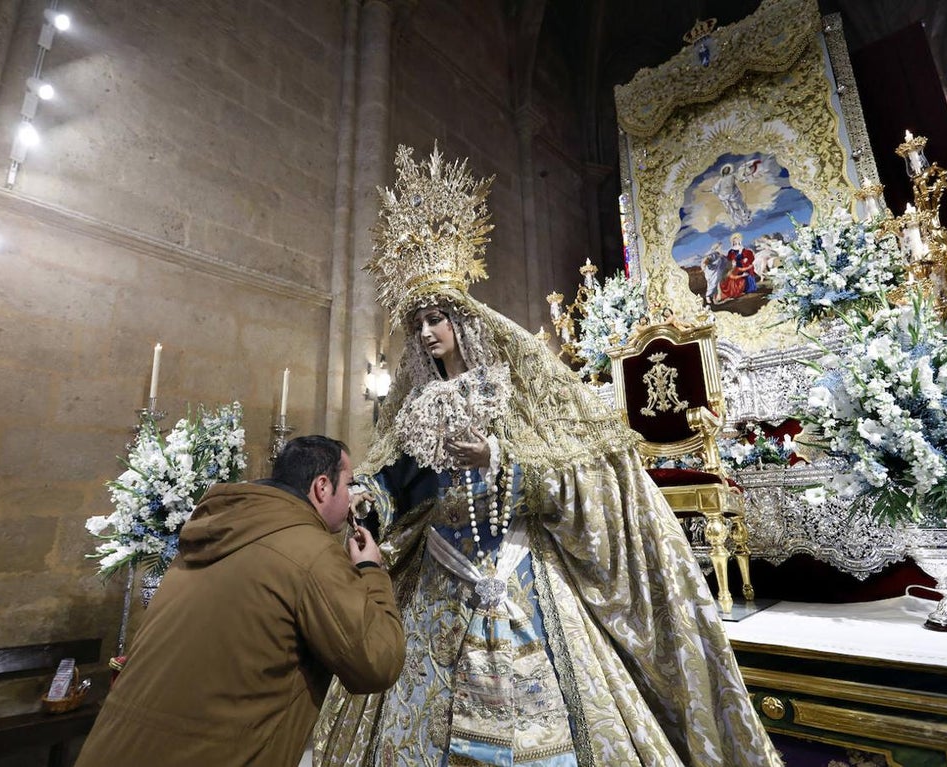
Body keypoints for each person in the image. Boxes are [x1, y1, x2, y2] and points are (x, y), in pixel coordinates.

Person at [313, 145, 781, 766]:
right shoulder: (418, 403)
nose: (426, 333)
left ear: (463, 319)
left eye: (436, 319)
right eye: (417, 323)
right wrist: (369, 499)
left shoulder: (515, 388)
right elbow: (402, 477)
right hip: (441, 572)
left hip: (517, 568)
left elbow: (575, 474)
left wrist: (498, 459)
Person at [76, 435, 405, 767]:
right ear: (322, 487)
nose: (352, 498)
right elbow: (377, 663)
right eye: (348, 485)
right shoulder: (311, 551)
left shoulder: (209, 534)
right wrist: (370, 570)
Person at [719, 231, 759, 302]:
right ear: (733, 241)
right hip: (735, 266)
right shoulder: (731, 251)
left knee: (747, 274)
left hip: (743, 265)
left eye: (737, 239)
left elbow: (749, 256)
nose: (736, 241)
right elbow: (729, 259)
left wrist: (746, 259)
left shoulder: (744, 249)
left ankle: (749, 289)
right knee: (735, 278)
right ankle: (738, 291)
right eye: (735, 240)